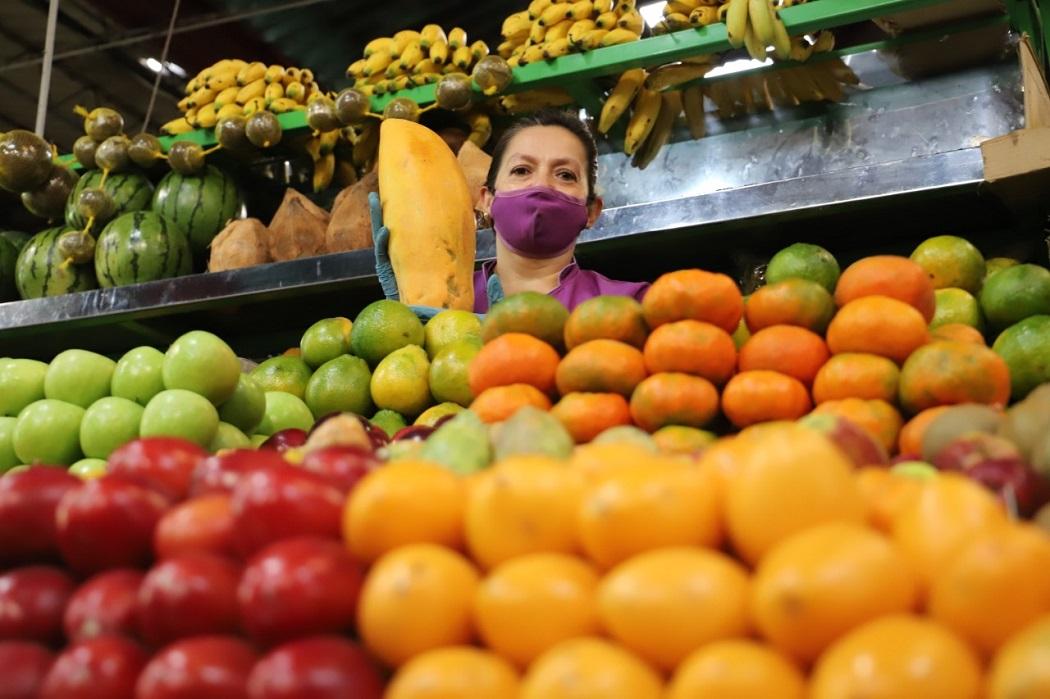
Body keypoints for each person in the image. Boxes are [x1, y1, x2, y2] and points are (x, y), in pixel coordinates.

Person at [372, 109, 649, 315]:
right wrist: (406, 324)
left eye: (565, 175)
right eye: (521, 170)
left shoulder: (634, 306)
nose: (541, 184)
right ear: (487, 200)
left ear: (591, 211)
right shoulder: (438, 305)